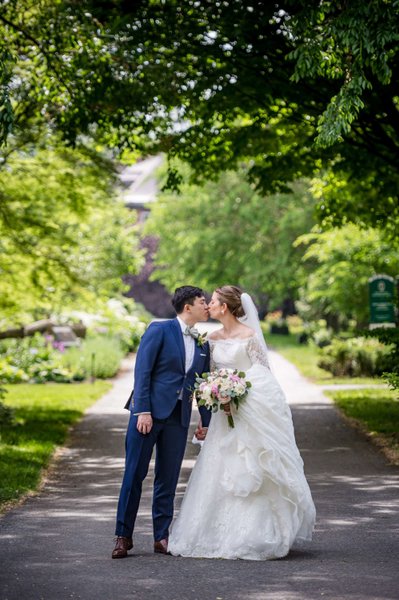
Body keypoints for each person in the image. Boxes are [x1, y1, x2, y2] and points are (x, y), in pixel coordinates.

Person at [168, 285, 316, 560]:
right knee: (219, 468)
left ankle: (257, 533)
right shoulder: (210, 338)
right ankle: (214, 534)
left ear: (224, 307)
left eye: (212, 301)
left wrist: (238, 393)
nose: (208, 305)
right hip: (223, 416)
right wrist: (212, 405)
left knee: (252, 468)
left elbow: (265, 377)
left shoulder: (249, 337)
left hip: (248, 413)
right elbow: (209, 378)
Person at [112, 285, 211, 558]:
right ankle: (122, 536)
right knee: (134, 475)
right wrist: (142, 410)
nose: (208, 306)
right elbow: (142, 372)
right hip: (147, 416)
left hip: (179, 418)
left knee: (168, 479)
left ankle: (161, 537)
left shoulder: (204, 344)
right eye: (203, 302)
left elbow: (202, 386)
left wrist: (206, 422)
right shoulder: (159, 329)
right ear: (187, 307)